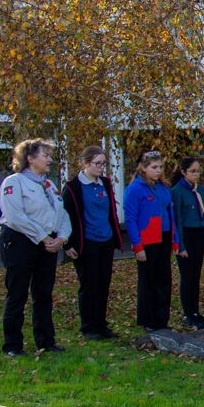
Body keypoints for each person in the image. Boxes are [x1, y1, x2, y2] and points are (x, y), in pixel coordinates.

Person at [0, 139, 70, 356]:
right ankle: (13, 345)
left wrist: (62, 237)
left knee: (43, 294)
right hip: (19, 242)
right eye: (45, 155)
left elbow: (62, 214)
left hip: (46, 244)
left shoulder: (49, 185)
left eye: (50, 155)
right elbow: (15, 216)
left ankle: (46, 341)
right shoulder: (14, 182)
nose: (50, 159)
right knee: (17, 293)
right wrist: (42, 237)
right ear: (29, 158)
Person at [62, 146, 124, 340]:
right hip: (86, 243)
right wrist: (68, 244)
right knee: (89, 285)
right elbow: (67, 217)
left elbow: (110, 212)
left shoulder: (105, 183)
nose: (101, 168)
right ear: (86, 163)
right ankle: (89, 327)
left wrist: (115, 238)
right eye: (97, 164)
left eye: (103, 164)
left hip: (105, 241)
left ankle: (101, 324)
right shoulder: (73, 187)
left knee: (103, 284)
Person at [124, 150, 180, 333]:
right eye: (154, 167)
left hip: (163, 236)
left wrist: (175, 239)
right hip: (147, 239)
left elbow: (171, 214)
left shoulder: (163, 187)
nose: (158, 170)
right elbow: (131, 219)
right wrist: (137, 245)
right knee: (148, 280)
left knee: (163, 279)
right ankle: (147, 319)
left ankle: (161, 319)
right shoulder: (135, 189)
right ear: (144, 168)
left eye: (160, 167)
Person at [170, 156, 204, 329]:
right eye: (192, 171)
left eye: (198, 171)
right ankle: (188, 313)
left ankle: (196, 312)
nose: (196, 174)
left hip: (198, 234)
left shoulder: (200, 190)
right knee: (187, 277)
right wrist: (180, 245)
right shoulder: (177, 191)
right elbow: (177, 219)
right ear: (183, 172)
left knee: (196, 276)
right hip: (185, 234)